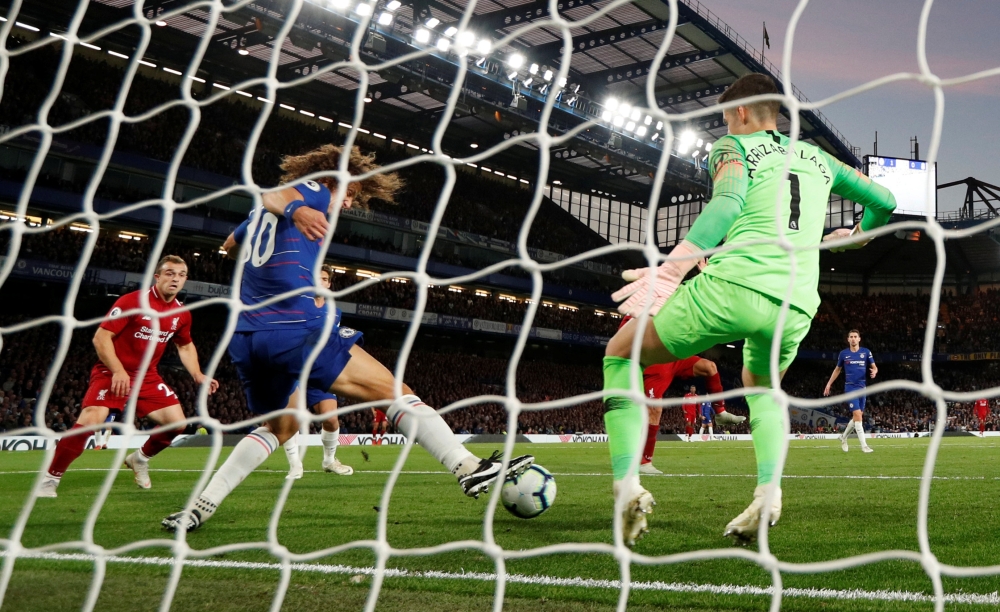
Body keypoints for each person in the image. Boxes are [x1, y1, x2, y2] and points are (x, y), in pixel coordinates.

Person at [163, 145, 533, 532]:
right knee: (395, 391)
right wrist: (299, 210)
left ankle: (200, 507)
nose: (349, 203)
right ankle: (467, 467)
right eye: (351, 193)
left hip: (248, 339)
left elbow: (229, 245)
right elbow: (273, 194)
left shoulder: (257, 218)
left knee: (280, 428)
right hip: (294, 328)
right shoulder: (317, 189)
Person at [601, 73, 897, 546]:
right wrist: (855, 234)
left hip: (737, 285)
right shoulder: (820, 159)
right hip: (797, 303)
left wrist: (674, 269)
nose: (725, 124)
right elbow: (886, 200)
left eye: (725, 117)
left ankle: (626, 485)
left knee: (621, 353)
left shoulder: (731, 148)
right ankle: (768, 494)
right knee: (761, 386)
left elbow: (729, 201)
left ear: (740, 113)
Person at [39, 256, 219, 498]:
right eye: (169, 273)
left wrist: (198, 374)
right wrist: (117, 370)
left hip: (148, 377)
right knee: (92, 419)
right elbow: (101, 338)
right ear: (157, 277)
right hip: (112, 371)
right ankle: (50, 478)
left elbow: (185, 346)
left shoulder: (181, 313)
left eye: (181, 274)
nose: (175, 278)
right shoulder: (133, 301)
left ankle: (139, 458)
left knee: (178, 423)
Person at [621, 317, 746, 474]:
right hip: (655, 362)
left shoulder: (675, 301)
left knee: (710, 367)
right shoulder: (639, 307)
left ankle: (720, 412)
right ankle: (644, 461)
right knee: (655, 410)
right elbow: (624, 337)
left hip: (674, 357)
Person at [283, 265, 352, 478]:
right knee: (290, 418)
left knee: (331, 418)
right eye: (316, 278)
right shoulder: (297, 305)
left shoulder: (334, 312)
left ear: (329, 283)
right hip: (293, 369)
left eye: (324, 279)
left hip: (318, 370)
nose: (320, 282)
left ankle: (329, 460)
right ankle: (295, 464)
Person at [824, 329, 876, 453]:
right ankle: (864, 446)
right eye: (851, 337)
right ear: (848, 339)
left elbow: (874, 366)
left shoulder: (866, 352)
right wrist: (829, 384)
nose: (853, 338)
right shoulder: (843, 354)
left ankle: (843, 437)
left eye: (855, 336)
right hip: (850, 388)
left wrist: (874, 371)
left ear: (859, 339)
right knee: (858, 415)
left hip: (862, 388)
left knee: (857, 417)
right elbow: (837, 370)